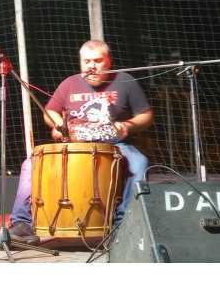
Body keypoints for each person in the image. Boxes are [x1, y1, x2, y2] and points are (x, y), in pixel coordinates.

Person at [8, 40, 153, 244]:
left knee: (139, 163)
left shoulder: (125, 80)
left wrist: (127, 125)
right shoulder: (70, 82)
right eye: (86, 61)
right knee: (30, 164)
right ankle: (21, 223)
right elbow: (49, 112)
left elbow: (146, 115)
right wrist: (60, 125)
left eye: (97, 61)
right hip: (74, 146)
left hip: (114, 146)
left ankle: (123, 224)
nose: (91, 66)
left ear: (108, 61)